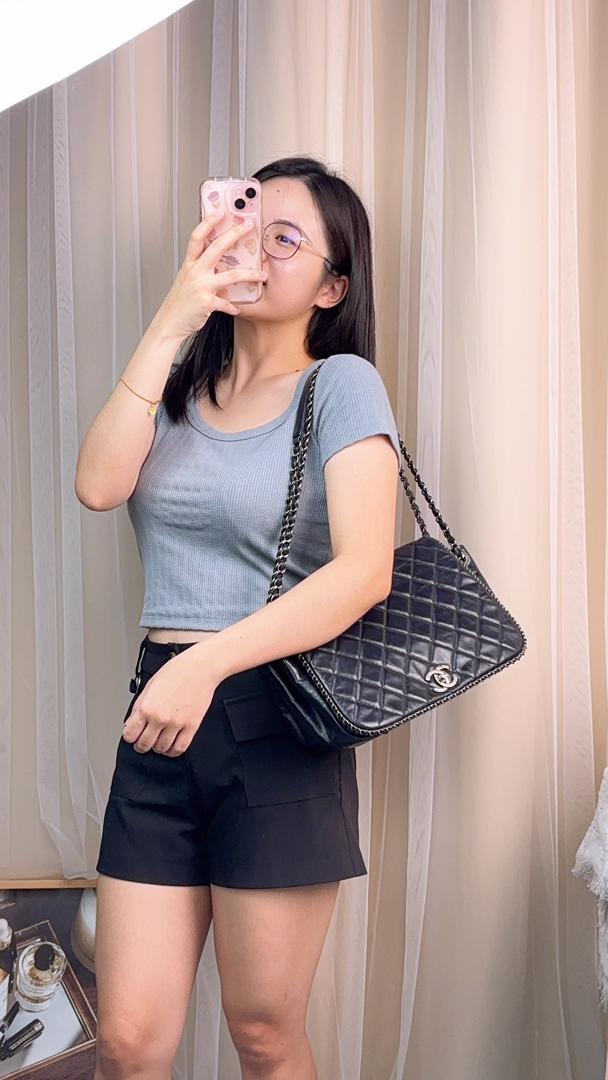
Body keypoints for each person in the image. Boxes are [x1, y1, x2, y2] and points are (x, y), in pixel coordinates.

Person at [75, 155, 401, 1080]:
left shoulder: (340, 385)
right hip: (159, 718)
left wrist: (206, 664)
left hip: (276, 716)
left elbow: (364, 573)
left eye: (285, 239)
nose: (257, 249)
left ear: (332, 287)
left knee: (263, 1033)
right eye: (248, 224)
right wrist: (177, 313)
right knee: (130, 1040)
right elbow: (97, 484)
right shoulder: (176, 387)